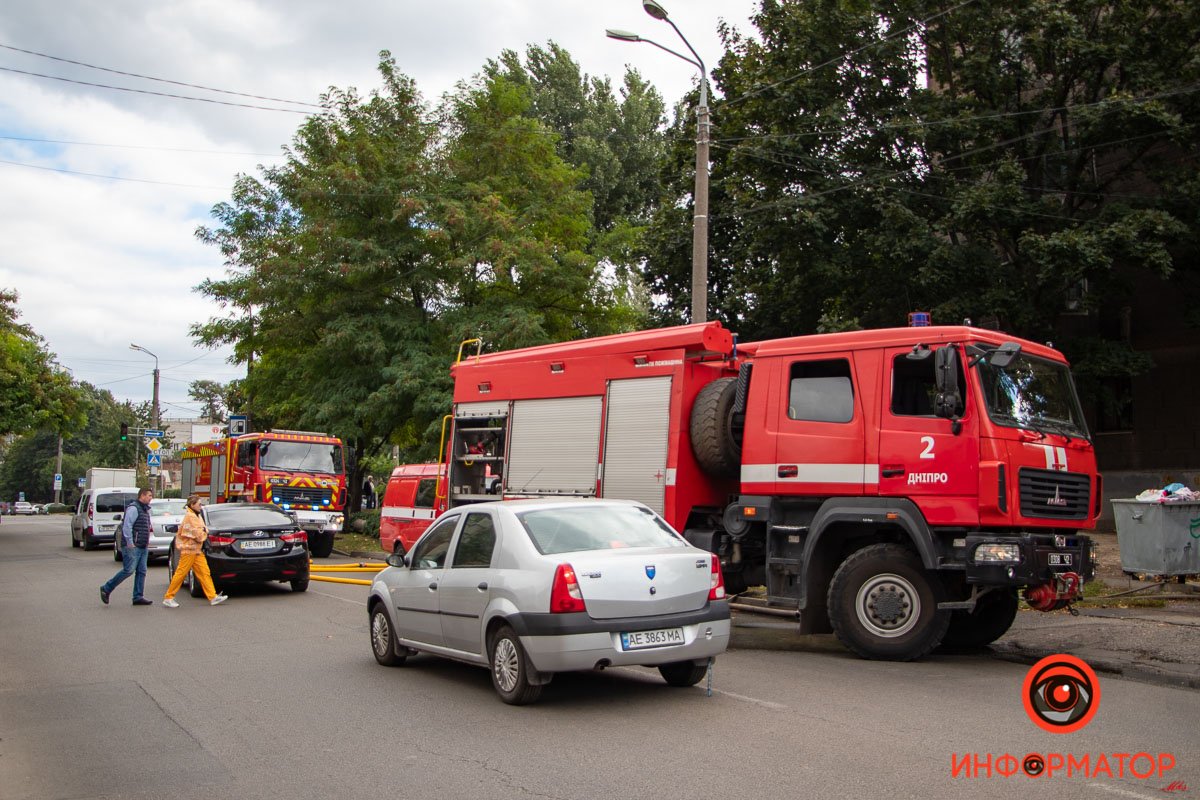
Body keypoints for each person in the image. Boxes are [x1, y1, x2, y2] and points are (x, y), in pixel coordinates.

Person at [162, 494, 227, 607]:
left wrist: (204, 531)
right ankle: (168, 597)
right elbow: (199, 534)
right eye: (199, 504)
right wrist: (205, 531)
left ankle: (213, 596)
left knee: (204, 572)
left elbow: (202, 530)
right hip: (189, 550)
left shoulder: (195, 515)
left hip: (196, 550)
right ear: (192, 505)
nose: (201, 507)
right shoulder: (191, 517)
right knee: (181, 573)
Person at [100, 488, 155, 606]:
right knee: (128, 570)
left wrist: (146, 541)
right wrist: (130, 543)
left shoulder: (145, 509)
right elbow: (127, 526)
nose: (151, 498)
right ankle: (106, 588)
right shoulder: (134, 508)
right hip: (133, 546)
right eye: (149, 495)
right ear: (142, 496)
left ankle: (138, 596)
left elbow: (144, 527)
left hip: (142, 546)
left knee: (142, 571)